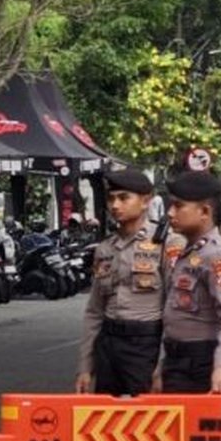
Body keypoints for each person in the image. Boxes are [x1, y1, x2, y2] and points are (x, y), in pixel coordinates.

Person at [75, 168, 165, 396]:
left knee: (147, 419)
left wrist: (164, 365)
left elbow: (173, 311)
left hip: (145, 343)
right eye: (112, 198)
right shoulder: (105, 249)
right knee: (103, 418)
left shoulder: (166, 244)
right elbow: (95, 311)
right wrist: (85, 367)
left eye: (124, 198)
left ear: (145, 201)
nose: (115, 205)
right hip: (109, 342)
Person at [160, 171, 221, 393]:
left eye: (179, 206)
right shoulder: (188, 252)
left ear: (205, 212)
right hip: (177, 359)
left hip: (201, 363)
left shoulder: (216, 256)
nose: (170, 213)